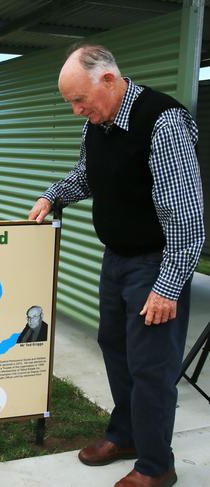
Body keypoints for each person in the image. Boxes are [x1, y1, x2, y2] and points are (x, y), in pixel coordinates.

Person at [29, 44, 204, 487]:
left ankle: (155, 466)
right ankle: (126, 435)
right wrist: (53, 195)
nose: (75, 110)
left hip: (155, 263)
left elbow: (186, 217)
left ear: (108, 80)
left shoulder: (161, 121)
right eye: (71, 101)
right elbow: (86, 174)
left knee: (151, 366)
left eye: (79, 99)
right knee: (117, 350)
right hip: (117, 260)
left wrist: (167, 287)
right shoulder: (99, 123)